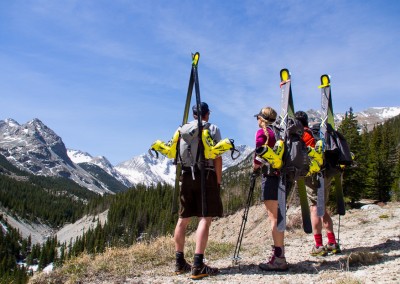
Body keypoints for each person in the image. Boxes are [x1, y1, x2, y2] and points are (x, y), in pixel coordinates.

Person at [173, 102, 223, 280]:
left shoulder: (183, 130)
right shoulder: (213, 129)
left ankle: (179, 262)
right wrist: (218, 181)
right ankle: (198, 264)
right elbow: (217, 156)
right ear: (207, 114)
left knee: (183, 219)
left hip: (186, 175)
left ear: (194, 115)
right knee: (205, 217)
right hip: (206, 174)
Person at [295, 111, 341, 256]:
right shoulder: (316, 133)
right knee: (322, 208)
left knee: (315, 208)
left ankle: (319, 245)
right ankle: (332, 242)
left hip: (313, 175)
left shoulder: (303, 135)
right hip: (325, 173)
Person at [253, 106, 289, 271]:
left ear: (262, 119)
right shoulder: (281, 132)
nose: (257, 121)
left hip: (270, 177)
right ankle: (279, 255)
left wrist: (254, 169)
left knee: (273, 218)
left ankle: (279, 257)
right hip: (283, 178)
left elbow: (258, 158)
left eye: (258, 118)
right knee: (278, 216)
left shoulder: (263, 133)